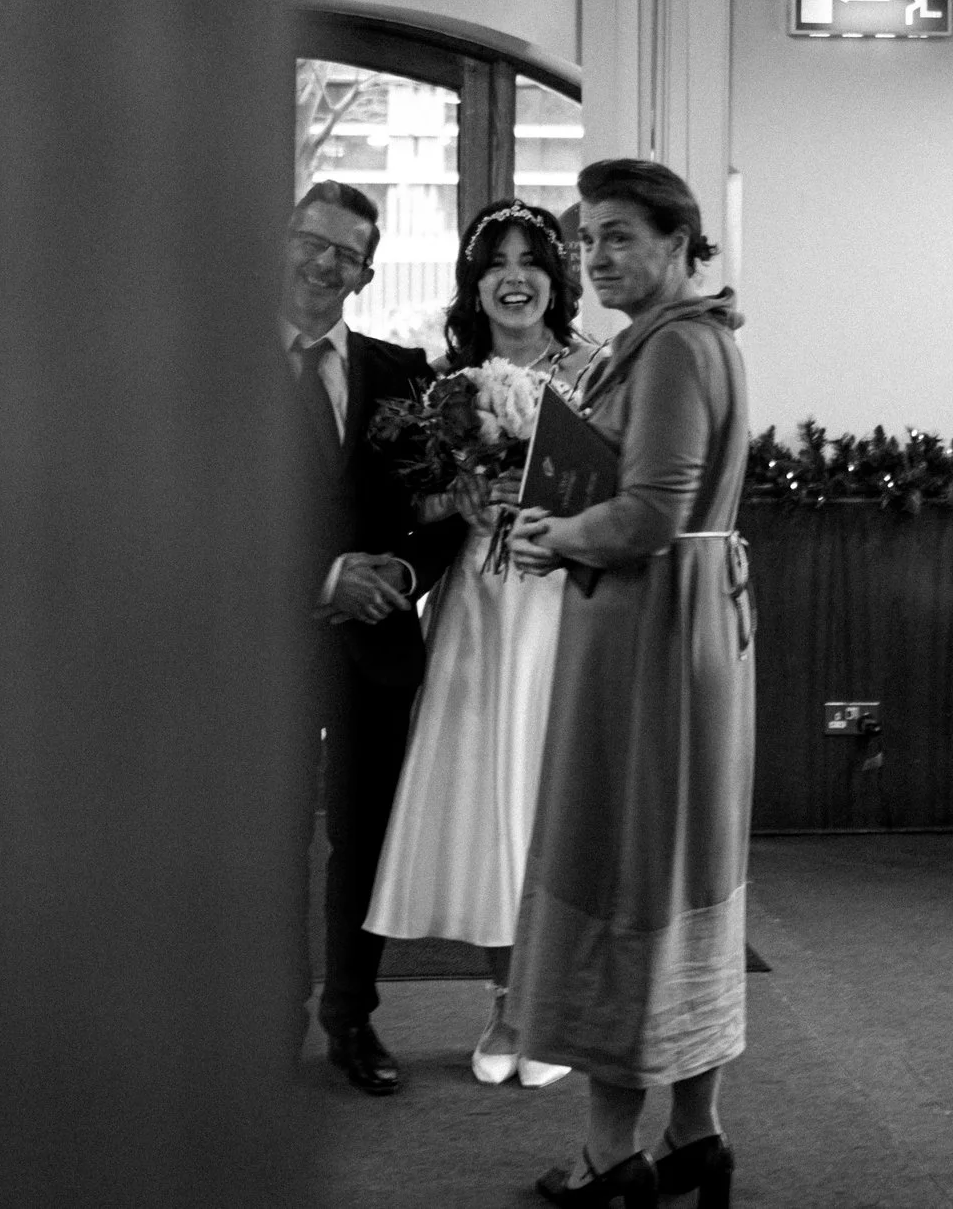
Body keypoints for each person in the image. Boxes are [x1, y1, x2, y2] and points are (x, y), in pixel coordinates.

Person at [507, 159, 753, 1209]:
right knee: (683, 872)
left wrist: (556, 532)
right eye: (585, 239)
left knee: (625, 870)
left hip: (651, 628)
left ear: (679, 241)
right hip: (687, 618)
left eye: (616, 235)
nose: (595, 256)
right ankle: (693, 1131)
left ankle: (614, 1155)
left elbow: (650, 510)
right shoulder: (692, 338)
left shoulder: (673, 347)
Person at [363, 201, 599, 1088]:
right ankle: (508, 1005)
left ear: (555, 276)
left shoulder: (597, 370)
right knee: (492, 803)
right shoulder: (442, 381)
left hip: (562, 604)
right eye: (495, 261)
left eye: (530, 260)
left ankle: (558, 1006)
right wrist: (457, 502)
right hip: (477, 606)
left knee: (550, 800)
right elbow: (408, 505)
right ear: (473, 282)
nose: (514, 276)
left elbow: (620, 490)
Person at [282, 181, 465, 1096]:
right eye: (313, 242)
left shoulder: (405, 375)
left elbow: (439, 510)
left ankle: (351, 1016)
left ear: (367, 271)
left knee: (365, 840)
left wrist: (399, 573)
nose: (324, 263)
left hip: (374, 647)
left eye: (346, 253)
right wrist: (322, 580)